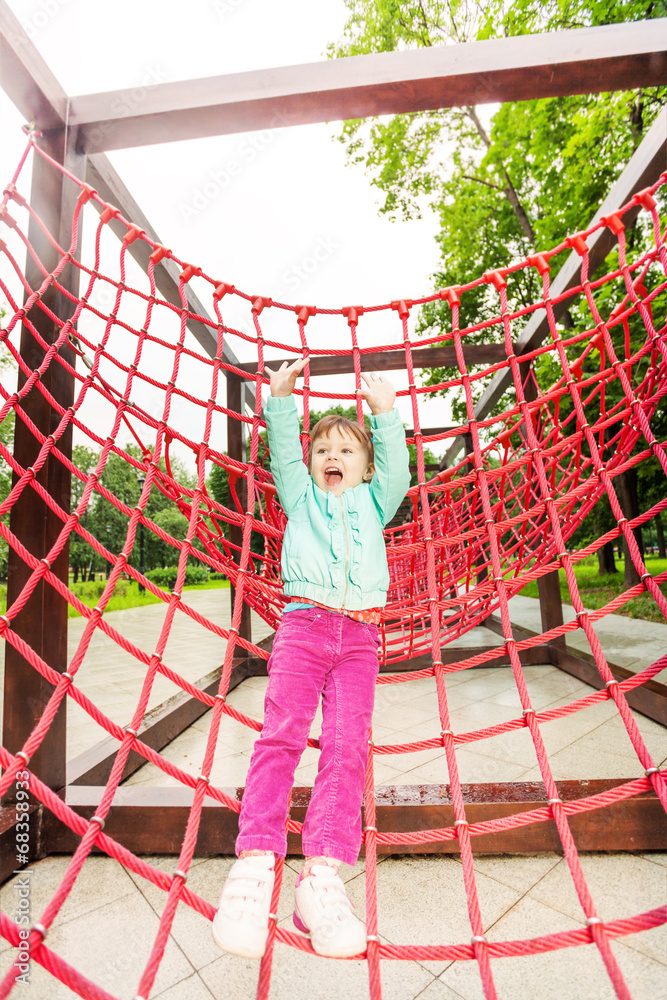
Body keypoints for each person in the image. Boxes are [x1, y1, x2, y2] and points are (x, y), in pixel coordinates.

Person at [212, 357, 410, 960]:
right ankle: (255, 864)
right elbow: (283, 456)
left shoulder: (378, 503)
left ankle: (322, 877)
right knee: (282, 737)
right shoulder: (300, 498)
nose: (332, 456)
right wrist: (278, 400)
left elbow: (397, 468)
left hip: (360, 637)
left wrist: (383, 416)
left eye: (347, 450)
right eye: (323, 447)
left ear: (367, 466)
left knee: (348, 748)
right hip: (301, 626)